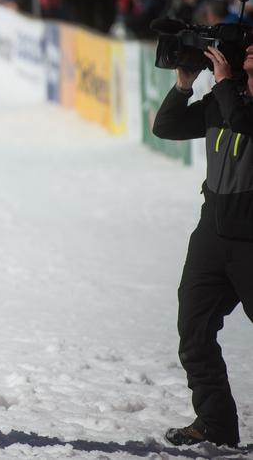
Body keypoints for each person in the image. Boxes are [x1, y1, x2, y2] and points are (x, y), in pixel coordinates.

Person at [152, 42, 253, 449]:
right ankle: (215, 424)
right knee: (193, 331)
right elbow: (167, 128)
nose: (247, 52)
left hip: (250, 237)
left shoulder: (233, 101)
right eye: (246, 48)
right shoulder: (222, 100)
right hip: (211, 234)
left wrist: (227, 84)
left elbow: (243, 122)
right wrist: (183, 85)